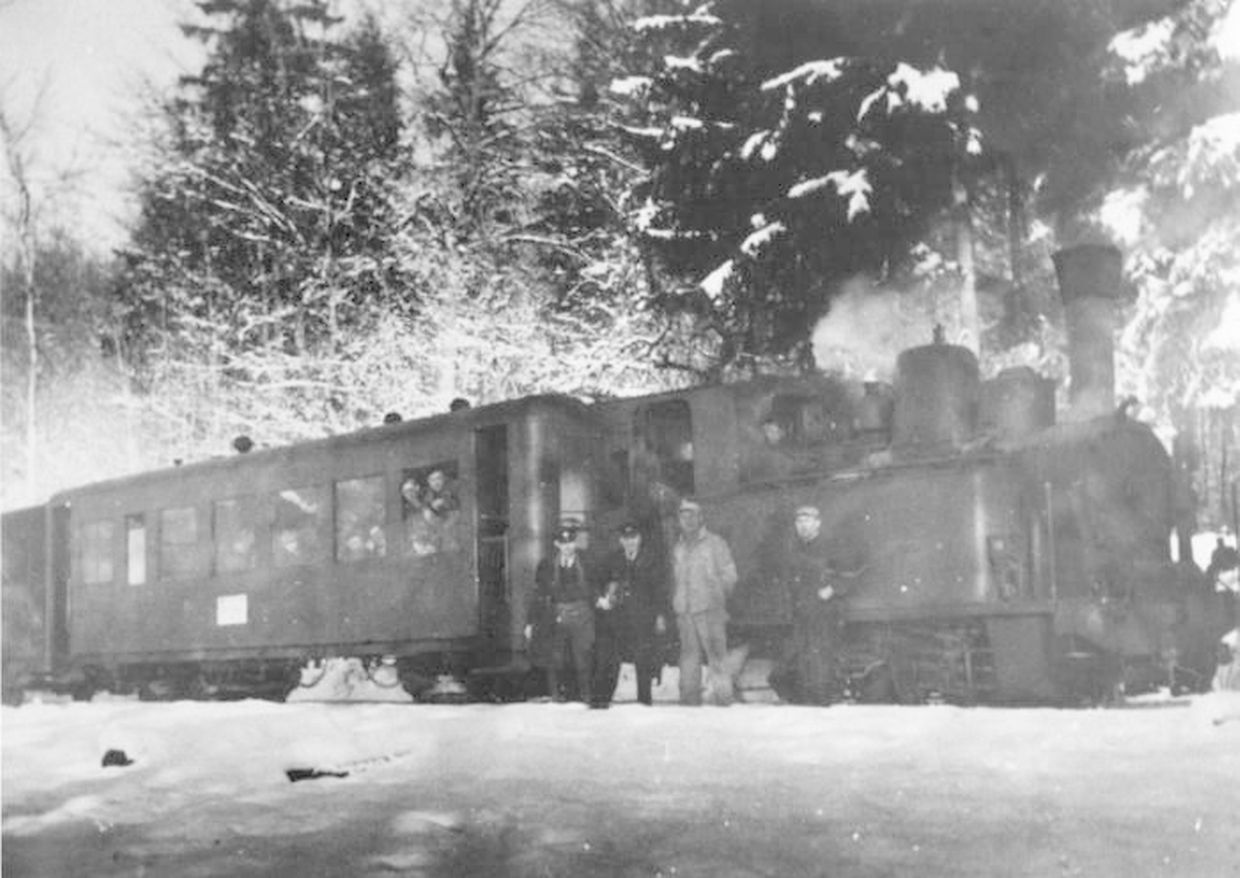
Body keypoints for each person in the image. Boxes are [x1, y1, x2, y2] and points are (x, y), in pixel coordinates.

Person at [782, 504, 862, 705]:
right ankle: (810, 703)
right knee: (804, 659)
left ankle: (824, 702)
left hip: (825, 612)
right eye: (799, 521)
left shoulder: (831, 545)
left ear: (818, 523)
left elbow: (851, 574)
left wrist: (832, 589)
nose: (803, 525)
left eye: (808, 520)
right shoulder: (794, 548)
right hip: (802, 611)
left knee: (822, 659)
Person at [592, 521, 671, 706]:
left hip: (642, 620)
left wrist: (660, 615)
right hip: (616, 621)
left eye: (634, 538)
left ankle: (644, 703)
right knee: (611, 662)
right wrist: (600, 599)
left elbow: (660, 590)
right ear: (621, 540)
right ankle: (602, 704)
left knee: (643, 662)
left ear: (639, 539)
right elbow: (596, 582)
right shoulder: (612, 559)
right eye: (626, 539)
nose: (630, 542)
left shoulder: (652, 560)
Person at [672, 498, 738, 706]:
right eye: (684, 516)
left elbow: (730, 575)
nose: (688, 520)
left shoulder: (715, 543)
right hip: (685, 611)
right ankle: (689, 702)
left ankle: (723, 701)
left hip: (710, 610)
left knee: (717, 658)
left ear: (701, 518)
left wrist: (717, 598)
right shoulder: (678, 547)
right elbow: (673, 578)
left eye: (693, 515)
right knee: (688, 659)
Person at [527, 524, 595, 704]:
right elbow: (538, 594)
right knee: (555, 658)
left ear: (575, 543)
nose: (568, 547)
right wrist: (530, 622)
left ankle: (586, 696)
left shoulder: (587, 561)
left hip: (582, 615)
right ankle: (556, 696)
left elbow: (595, 588)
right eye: (563, 543)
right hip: (557, 614)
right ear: (557, 544)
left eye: (571, 542)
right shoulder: (547, 564)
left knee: (583, 657)